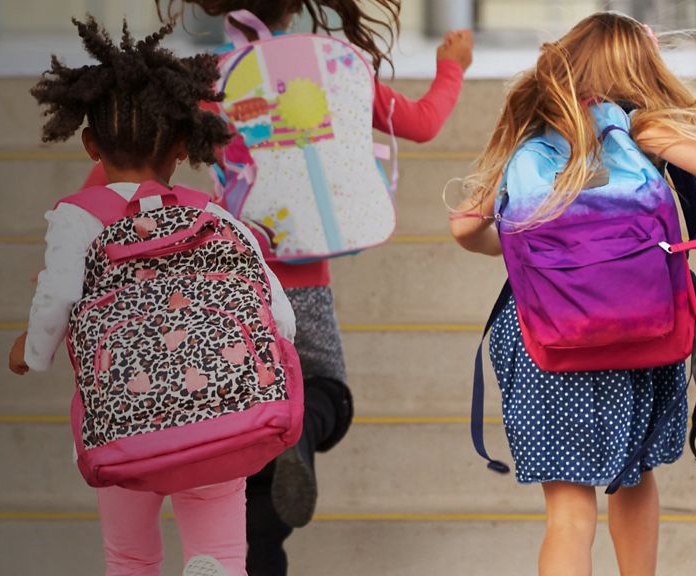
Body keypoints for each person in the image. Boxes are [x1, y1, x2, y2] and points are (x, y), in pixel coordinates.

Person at [106, 3, 470, 573]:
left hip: (225, 286)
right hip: (304, 283)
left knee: (237, 431)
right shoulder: (331, 68)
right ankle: (299, 433)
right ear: (297, 5)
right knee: (328, 392)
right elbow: (422, 122)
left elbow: (130, 162)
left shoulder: (204, 80)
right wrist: (452, 65)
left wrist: (90, 220)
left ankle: (262, 499)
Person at [8, 16, 296, 576]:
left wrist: (32, 352)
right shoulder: (211, 214)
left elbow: (59, 296)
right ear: (186, 143)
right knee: (221, 549)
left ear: (91, 143)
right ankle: (211, 565)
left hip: (124, 420)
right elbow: (277, 315)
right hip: (218, 413)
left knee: (130, 556)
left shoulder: (79, 217)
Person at [449, 13, 696, 576]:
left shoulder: (535, 137)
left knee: (569, 514)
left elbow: (465, 228)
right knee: (635, 477)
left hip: (545, 340)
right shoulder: (645, 129)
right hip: (641, 329)